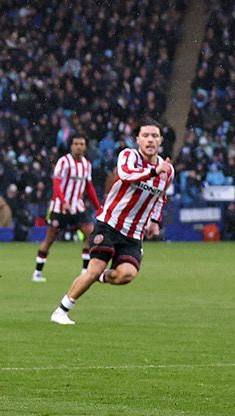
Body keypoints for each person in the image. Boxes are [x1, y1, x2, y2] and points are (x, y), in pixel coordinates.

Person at [50, 120, 174, 325]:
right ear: (138, 140)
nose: (150, 140)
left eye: (154, 136)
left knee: (127, 275)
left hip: (133, 233)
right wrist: (154, 171)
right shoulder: (129, 156)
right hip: (109, 223)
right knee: (95, 267)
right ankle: (62, 310)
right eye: (145, 136)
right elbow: (126, 175)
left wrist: (154, 221)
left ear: (160, 140)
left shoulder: (167, 170)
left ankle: (99, 277)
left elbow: (160, 197)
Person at [34, 135, 100, 283]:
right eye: (76, 143)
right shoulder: (63, 162)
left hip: (78, 207)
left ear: (85, 146)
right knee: (50, 239)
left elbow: (89, 188)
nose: (78, 146)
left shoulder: (87, 165)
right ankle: (37, 272)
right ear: (71, 146)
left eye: (81, 144)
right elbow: (56, 184)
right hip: (60, 208)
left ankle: (85, 272)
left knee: (90, 235)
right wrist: (63, 201)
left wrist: (98, 207)